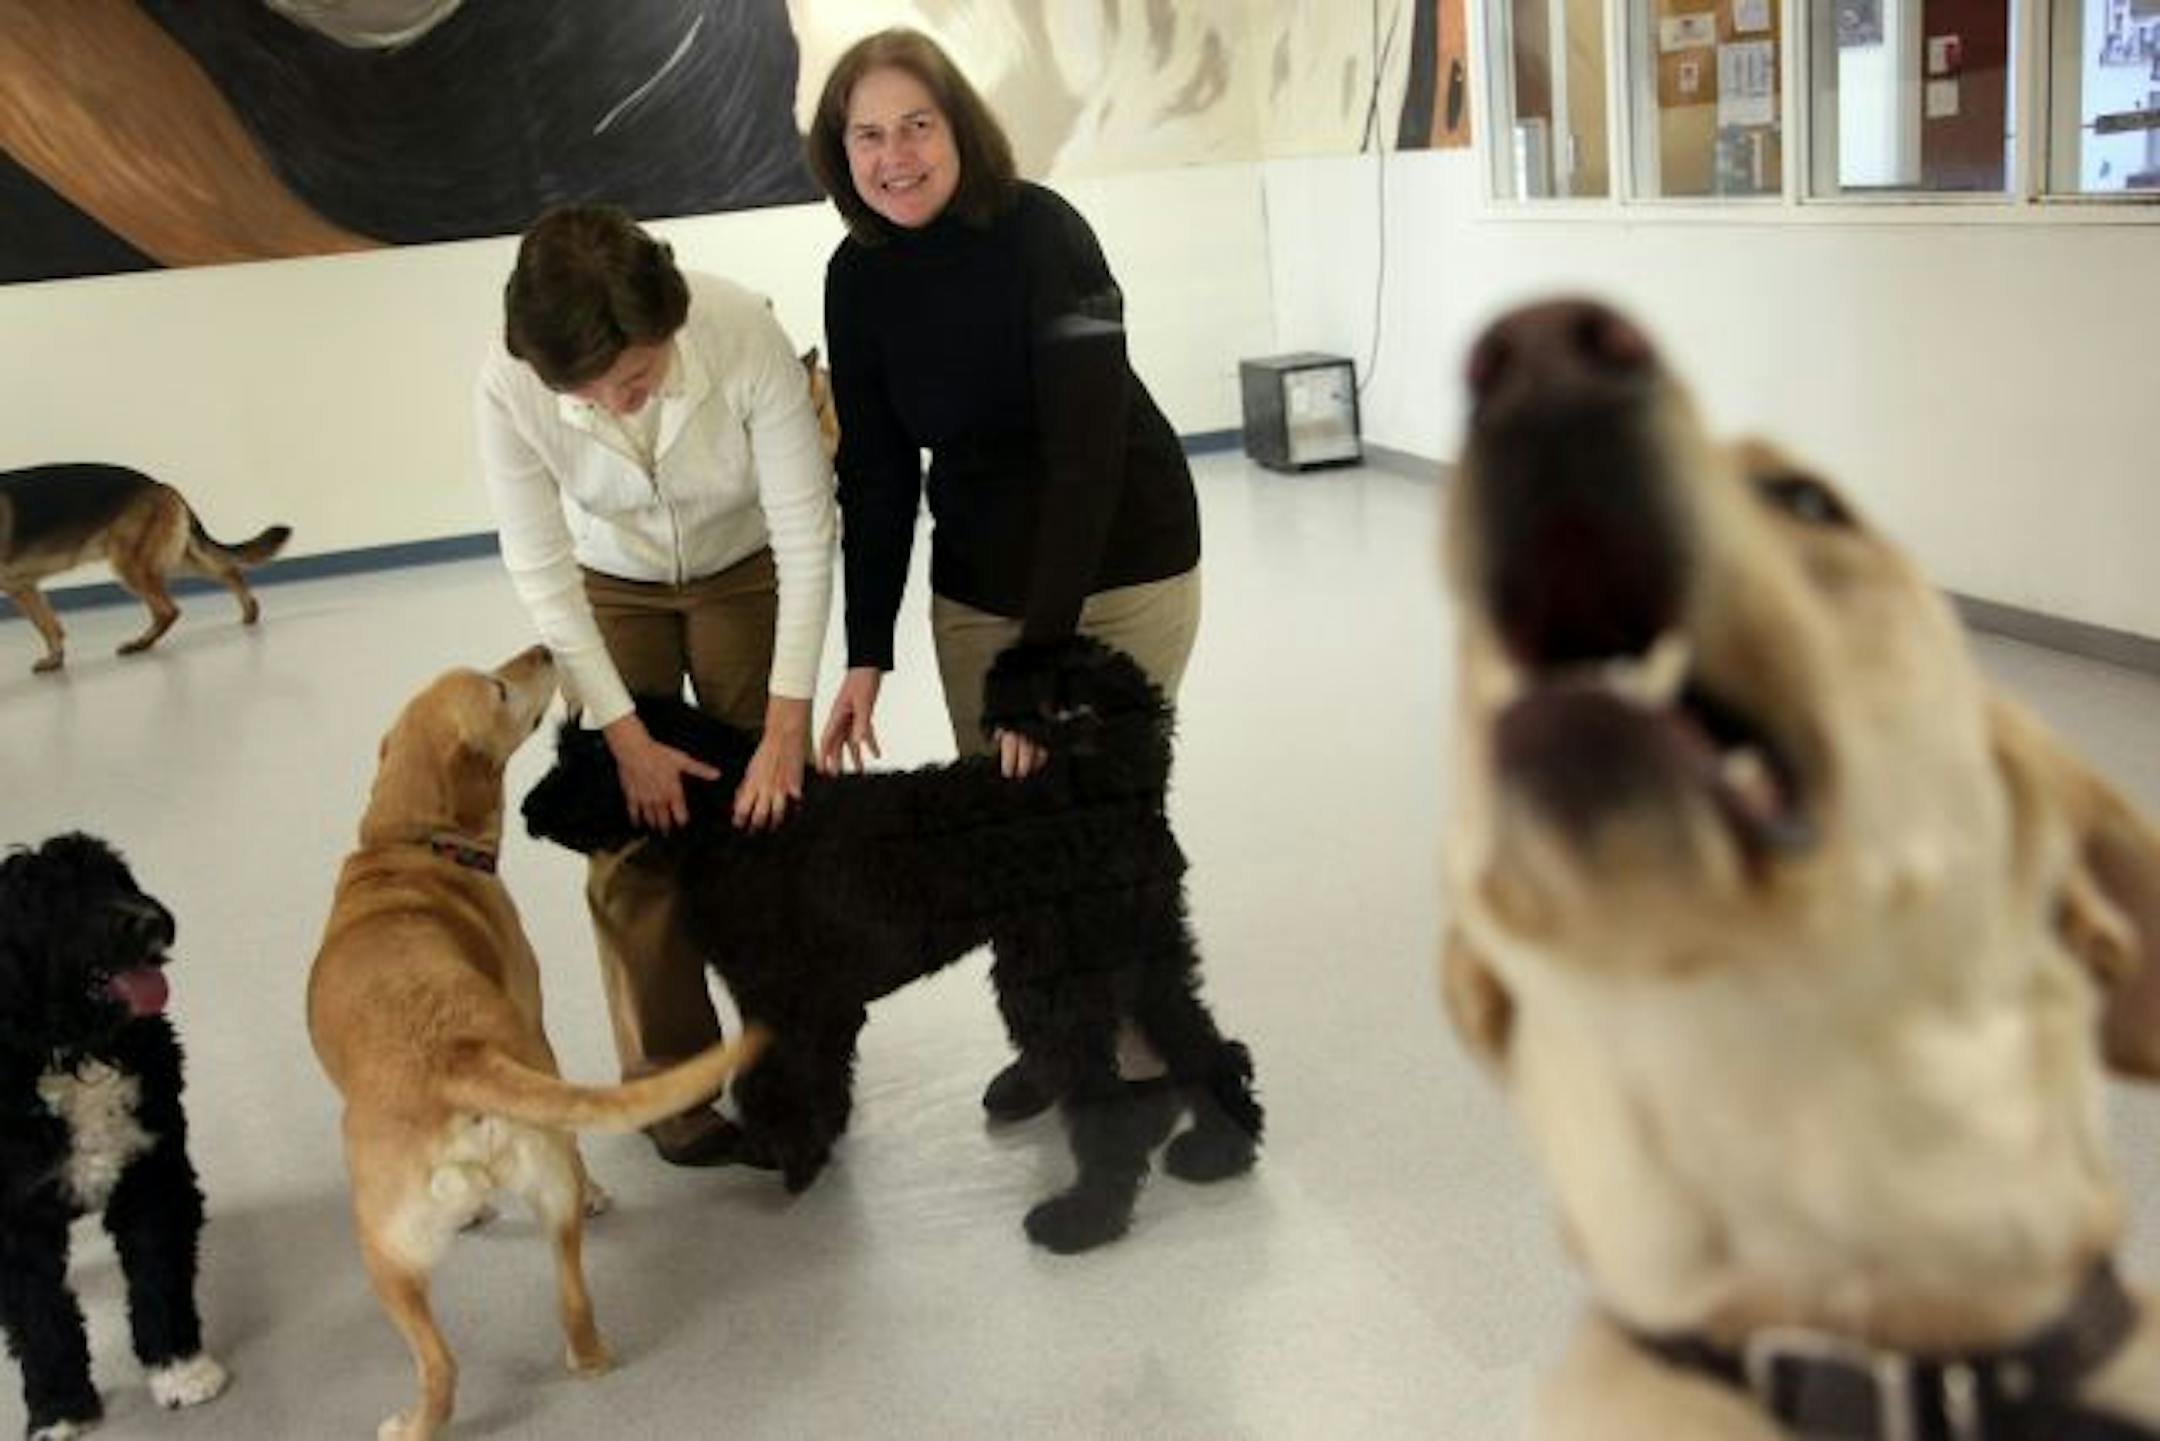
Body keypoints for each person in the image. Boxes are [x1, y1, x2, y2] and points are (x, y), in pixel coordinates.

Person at [804, 28, 1203, 1122]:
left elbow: (1086, 462)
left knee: (1098, 809)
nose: (895, 156)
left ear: (959, 129)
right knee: (1009, 820)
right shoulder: (859, 275)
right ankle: (1055, 1032)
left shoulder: (1048, 238)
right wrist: (868, 652)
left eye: (916, 126)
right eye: (868, 135)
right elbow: (876, 473)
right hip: (977, 570)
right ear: (841, 153)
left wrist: (1041, 663)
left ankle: (1146, 1045)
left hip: (1121, 555)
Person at [475, 203, 834, 1164]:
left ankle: (797, 1064)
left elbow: (807, 531)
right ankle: (671, 1089)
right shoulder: (508, 383)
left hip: (744, 562)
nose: (621, 405)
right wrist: (624, 737)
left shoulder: (741, 329)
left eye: (636, 378)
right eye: (591, 398)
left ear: (669, 327)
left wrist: (784, 724)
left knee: (768, 820)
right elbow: (543, 571)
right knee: (635, 835)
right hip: (609, 581)